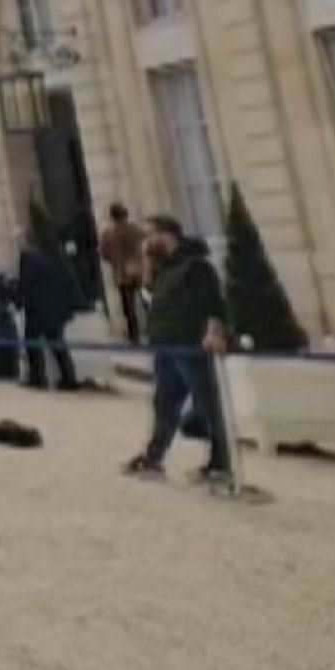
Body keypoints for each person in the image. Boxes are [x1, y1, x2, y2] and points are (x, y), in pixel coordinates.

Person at [124, 215, 232, 487]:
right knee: (164, 405)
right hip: (166, 345)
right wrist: (147, 265)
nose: (146, 242)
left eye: (150, 235)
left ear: (168, 234)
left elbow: (214, 303)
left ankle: (221, 463)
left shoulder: (196, 266)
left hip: (190, 345)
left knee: (209, 406)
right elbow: (150, 298)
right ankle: (154, 456)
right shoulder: (162, 268)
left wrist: (214, 331)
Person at [15, 227, 83, 391]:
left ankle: (37, 377)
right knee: (57, 344)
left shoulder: (28, 257)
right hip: (55, 308)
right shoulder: (56, 256)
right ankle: (68, 378)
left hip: (37, 308)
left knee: (32, 343)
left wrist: (18, 301)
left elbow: (26, 283)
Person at [98, 204, 148, 343]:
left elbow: (103, 253)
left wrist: (115, 260)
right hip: (139, 270)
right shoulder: (136, 230)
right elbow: (146, 244)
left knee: (128, 306)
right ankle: (153, 328)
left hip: (121, 273)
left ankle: (134, 335)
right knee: (146, 300)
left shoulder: (108, 233)